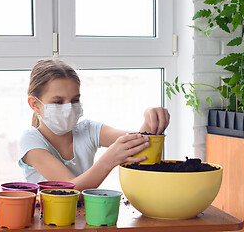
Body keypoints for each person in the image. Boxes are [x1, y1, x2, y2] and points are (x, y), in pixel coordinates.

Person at [19, 59, 170, 191]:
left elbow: (141, 144)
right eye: (58, 102)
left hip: (85, 220)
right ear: (35, 104)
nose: (69, 107)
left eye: (74, 100)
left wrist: (150, 117)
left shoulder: (88, 130)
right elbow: (70, 190)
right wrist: (109, 160)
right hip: (45, 222)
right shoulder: (31, 141)